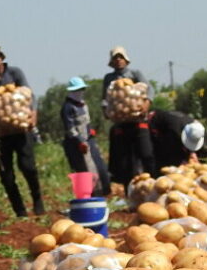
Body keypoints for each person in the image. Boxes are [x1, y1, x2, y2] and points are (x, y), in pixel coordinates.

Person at [0, 40, 44, 216]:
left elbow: (29, 95)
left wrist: (33, 114)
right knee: (7, 175)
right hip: (1, 135)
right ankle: (20, 211)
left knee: (28, 167)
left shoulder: (15, 73)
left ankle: (37, 200)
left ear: (2, 58)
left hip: (20, 131)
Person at [102, 46, 154, 188]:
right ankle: (130, 193)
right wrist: (105, 110)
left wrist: (147, 103)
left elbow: (149, 89)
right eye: (115, 57)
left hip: (138, 122)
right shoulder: (109, 78)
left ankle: (153, 185)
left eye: (121, 57)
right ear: (112, 61)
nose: (118, 60)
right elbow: (105, 98)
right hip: (121, 124)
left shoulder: (135, 73)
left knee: (146, 154)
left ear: (126, 59)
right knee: (126, 162)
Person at [61, 77, 110, 197]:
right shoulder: (68, 107)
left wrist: (91, 132)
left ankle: (104, 193)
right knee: (85, 170)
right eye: (78, 89)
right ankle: (90, 196)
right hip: (76, 144)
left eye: (82, 89)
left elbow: (87, 122)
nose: (80, 92)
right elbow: (70, 128)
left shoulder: (83, 104)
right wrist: (80, 141)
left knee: (100, 167)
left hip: (89, 140)